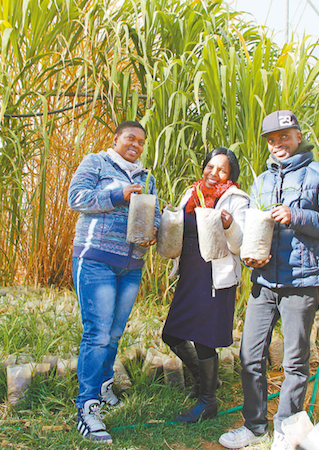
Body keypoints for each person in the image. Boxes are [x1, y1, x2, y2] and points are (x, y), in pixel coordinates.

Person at [219, 110, 319, 449]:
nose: (277, 144)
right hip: (264, 281)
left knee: (295, 361)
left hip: (303, 281)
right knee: (249, 355)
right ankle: (255, 426)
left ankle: (287, 429)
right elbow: (257, 227)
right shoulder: (262, 181)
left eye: (284, 136)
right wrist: (253, 253)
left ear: (298, 136)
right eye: (271, 140)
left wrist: (295, 214)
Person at [68, 120, 161, 443]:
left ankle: (104, 382)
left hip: (131, 265)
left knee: (115, 333)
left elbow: (156, 215)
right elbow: (76, 198)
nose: (135, 145)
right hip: (95, 260)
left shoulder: (147, 177)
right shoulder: (97, 162)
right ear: (116, 139)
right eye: (130, 139)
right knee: (97, 333)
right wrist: (117, 195)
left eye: (141, 142)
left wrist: (153, 232)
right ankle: (86, 406)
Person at [162, 147, 249, 423]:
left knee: (203, 339)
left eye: (222, 169)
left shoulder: (236, 199)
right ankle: (205, 381)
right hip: (190, 272)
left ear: (231, 175)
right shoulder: (192, 193)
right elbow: (180, 229)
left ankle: (208, 402)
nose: (214, 173)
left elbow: (240, 244)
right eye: (210, 167)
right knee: (172, 334)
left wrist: (230, 224)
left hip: (215, 277)